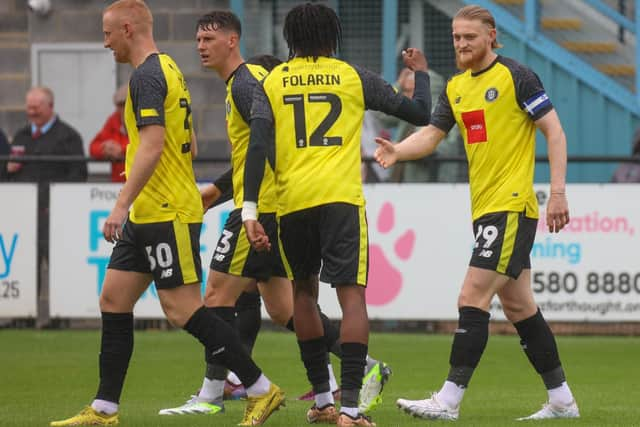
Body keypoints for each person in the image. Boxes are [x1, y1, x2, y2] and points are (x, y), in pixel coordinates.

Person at [50, 2, 283, 426]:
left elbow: (155, 145)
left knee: (182, 310)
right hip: (150, 211)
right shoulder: (169, 69)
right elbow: (188, 139)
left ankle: (260, 388)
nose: (105, 43)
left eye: (107, 34)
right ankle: (105, 409)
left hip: (164, 211)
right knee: (114, 299)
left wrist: (120, 204)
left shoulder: (146, 76)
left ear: (127, 29)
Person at [158, 13, 389, 419]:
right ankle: (364, 370)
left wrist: (237, 198)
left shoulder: (248, 85)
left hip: (262, 208)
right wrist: (219, 189)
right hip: (272, 207)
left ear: (232, 41)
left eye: (208, 38)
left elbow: (270, 147)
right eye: (197, 38)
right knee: (286, 310)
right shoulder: (239, 86)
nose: (200, 46)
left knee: (215, 297)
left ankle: (215, 392)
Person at [374, 4, 579, 421]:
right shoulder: (456, 87)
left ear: (491, 36)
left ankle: (448, 400)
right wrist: (398, 149)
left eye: (469, 36)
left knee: (471, 297)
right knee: (520, 307)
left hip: (511, 206)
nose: (461, 44)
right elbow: (432, 134)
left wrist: (557, 193)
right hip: (485, 210)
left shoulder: (516, 76)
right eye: (456, 37)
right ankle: (562, 399)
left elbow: (555, 132)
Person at [242, 4, 431, 426]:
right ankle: (351, 410)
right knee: (352, 298)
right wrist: (421, 73)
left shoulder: (272, 81)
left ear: (290, 39)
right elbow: (419, 114)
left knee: (304, 294)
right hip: (341, 200)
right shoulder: (351, 76)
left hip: (293, 203)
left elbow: (257, 146)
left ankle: (325, 402)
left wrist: (250, 208)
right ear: (332, 37)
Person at [7, 86, 87, 267]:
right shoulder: (21, 135)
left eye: (37, 108)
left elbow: (79, 174)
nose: (32, 112)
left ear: (50, 106)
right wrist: (8, 169)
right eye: (29, 108)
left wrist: (57, 201)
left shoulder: (69, 136)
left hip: (55, 215)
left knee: (59, 264)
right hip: (24, 214)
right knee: (26, 265)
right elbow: (7, 173)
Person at [89, 84, 129, 182]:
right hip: (117, 185)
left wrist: (122, 150)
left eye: (127, 104)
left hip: (144, 186)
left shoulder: (147, 120)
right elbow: (93, 146)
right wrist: (106, 149)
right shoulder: (114, 120)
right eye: (120, 105)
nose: (123, 109)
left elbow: (148, 146)